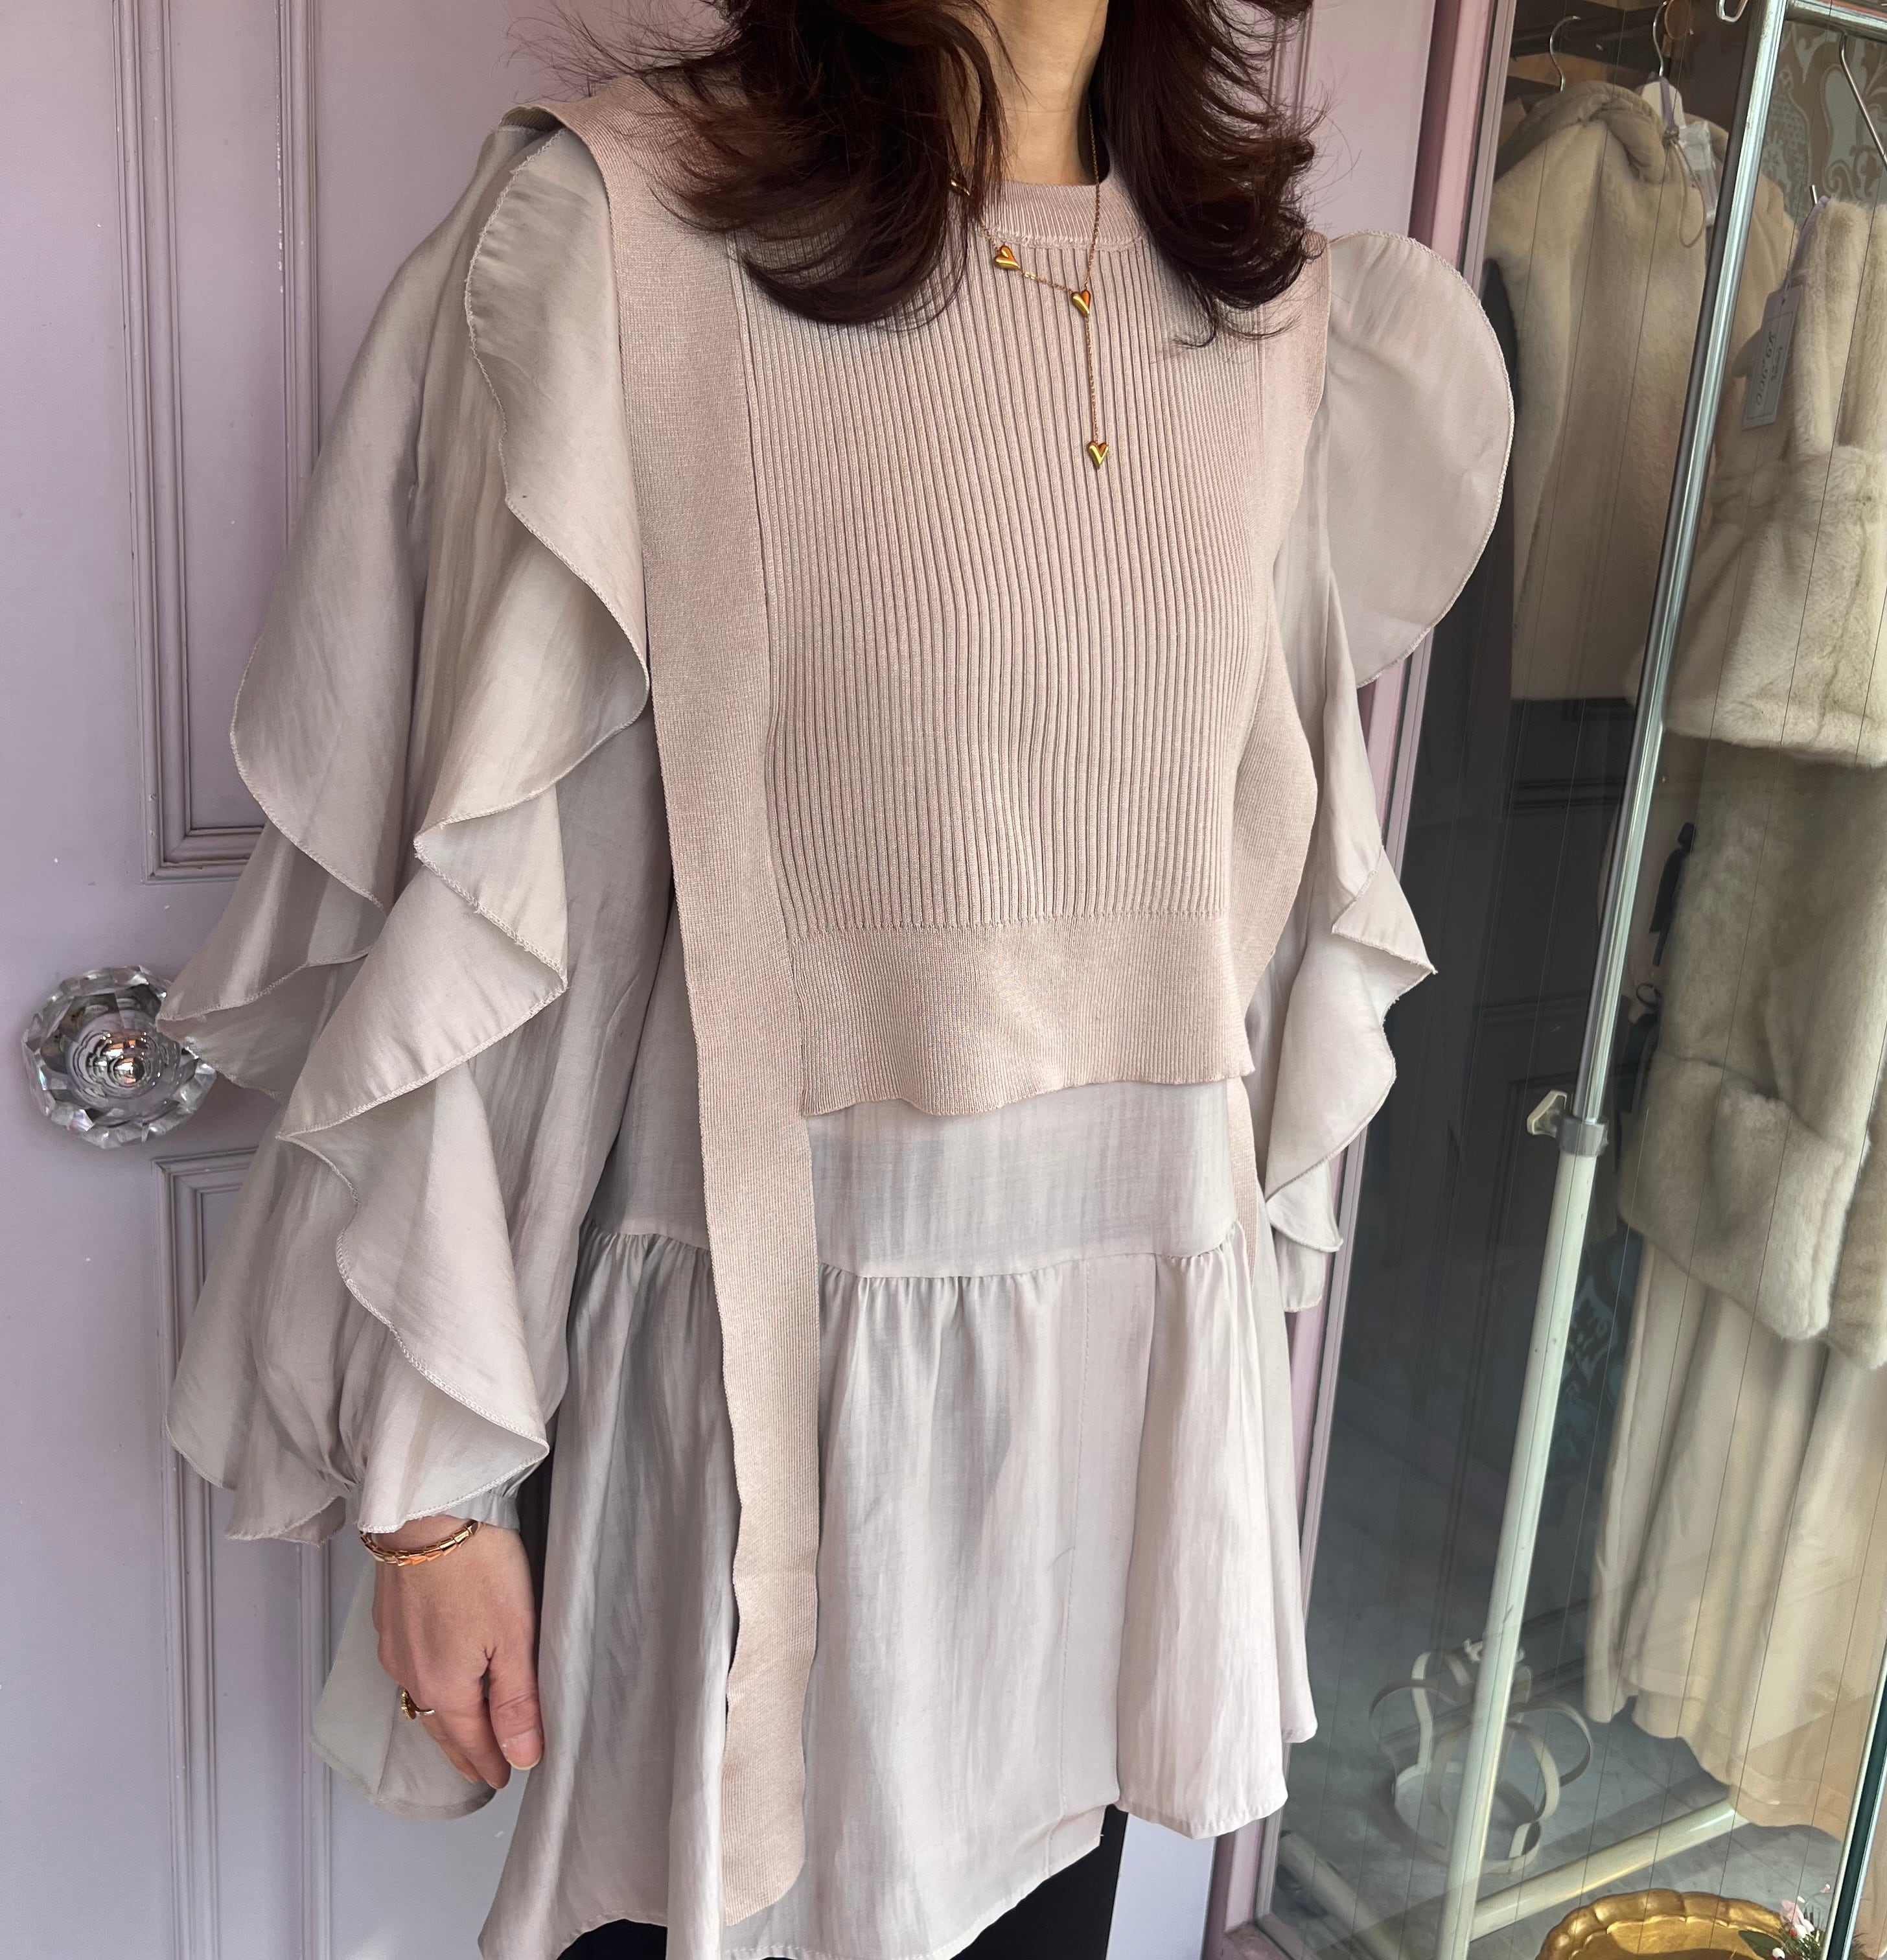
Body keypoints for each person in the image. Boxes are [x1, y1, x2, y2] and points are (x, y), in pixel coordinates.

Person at [158, 1, 1511, 1956]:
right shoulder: (632, 239)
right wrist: (432, 1496)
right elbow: (497, 908)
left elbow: (1250, 899)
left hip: (1104, 1439)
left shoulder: (1280, 317)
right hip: (743, 1426)